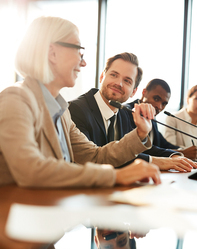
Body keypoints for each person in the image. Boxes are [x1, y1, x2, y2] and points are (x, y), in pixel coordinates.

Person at [0, 16, 161, 188]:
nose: (83, 63)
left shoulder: (62, 111)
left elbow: (95, 157)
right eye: (79, 52)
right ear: (52, 53)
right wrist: (115, 175)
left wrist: (140, 134)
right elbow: (30, 170)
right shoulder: (16, 99)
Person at [69, 53, 197, 171]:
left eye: (127, 81)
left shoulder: (123, 113)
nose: (118, 83)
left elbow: (131, 148)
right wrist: (156, 161)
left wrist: (174, 156)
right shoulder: (76, 109)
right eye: (114, 75)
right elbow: (99, 159)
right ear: (102, 76)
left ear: (134, 92)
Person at [128, 78, 197, 160]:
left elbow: (163, 144)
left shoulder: (152, 118)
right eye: (156, 99)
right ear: (144, 92)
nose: (159, 107)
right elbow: (141, 149)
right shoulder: (127, 111)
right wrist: (181, 153)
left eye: (164, 103)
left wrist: (183, 151)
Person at [164, 85, 197, 159]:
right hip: (181, 163)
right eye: (196, 99)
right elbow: (169, 147)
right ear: (188, 100)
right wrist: (185, 152)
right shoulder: (173, 118)